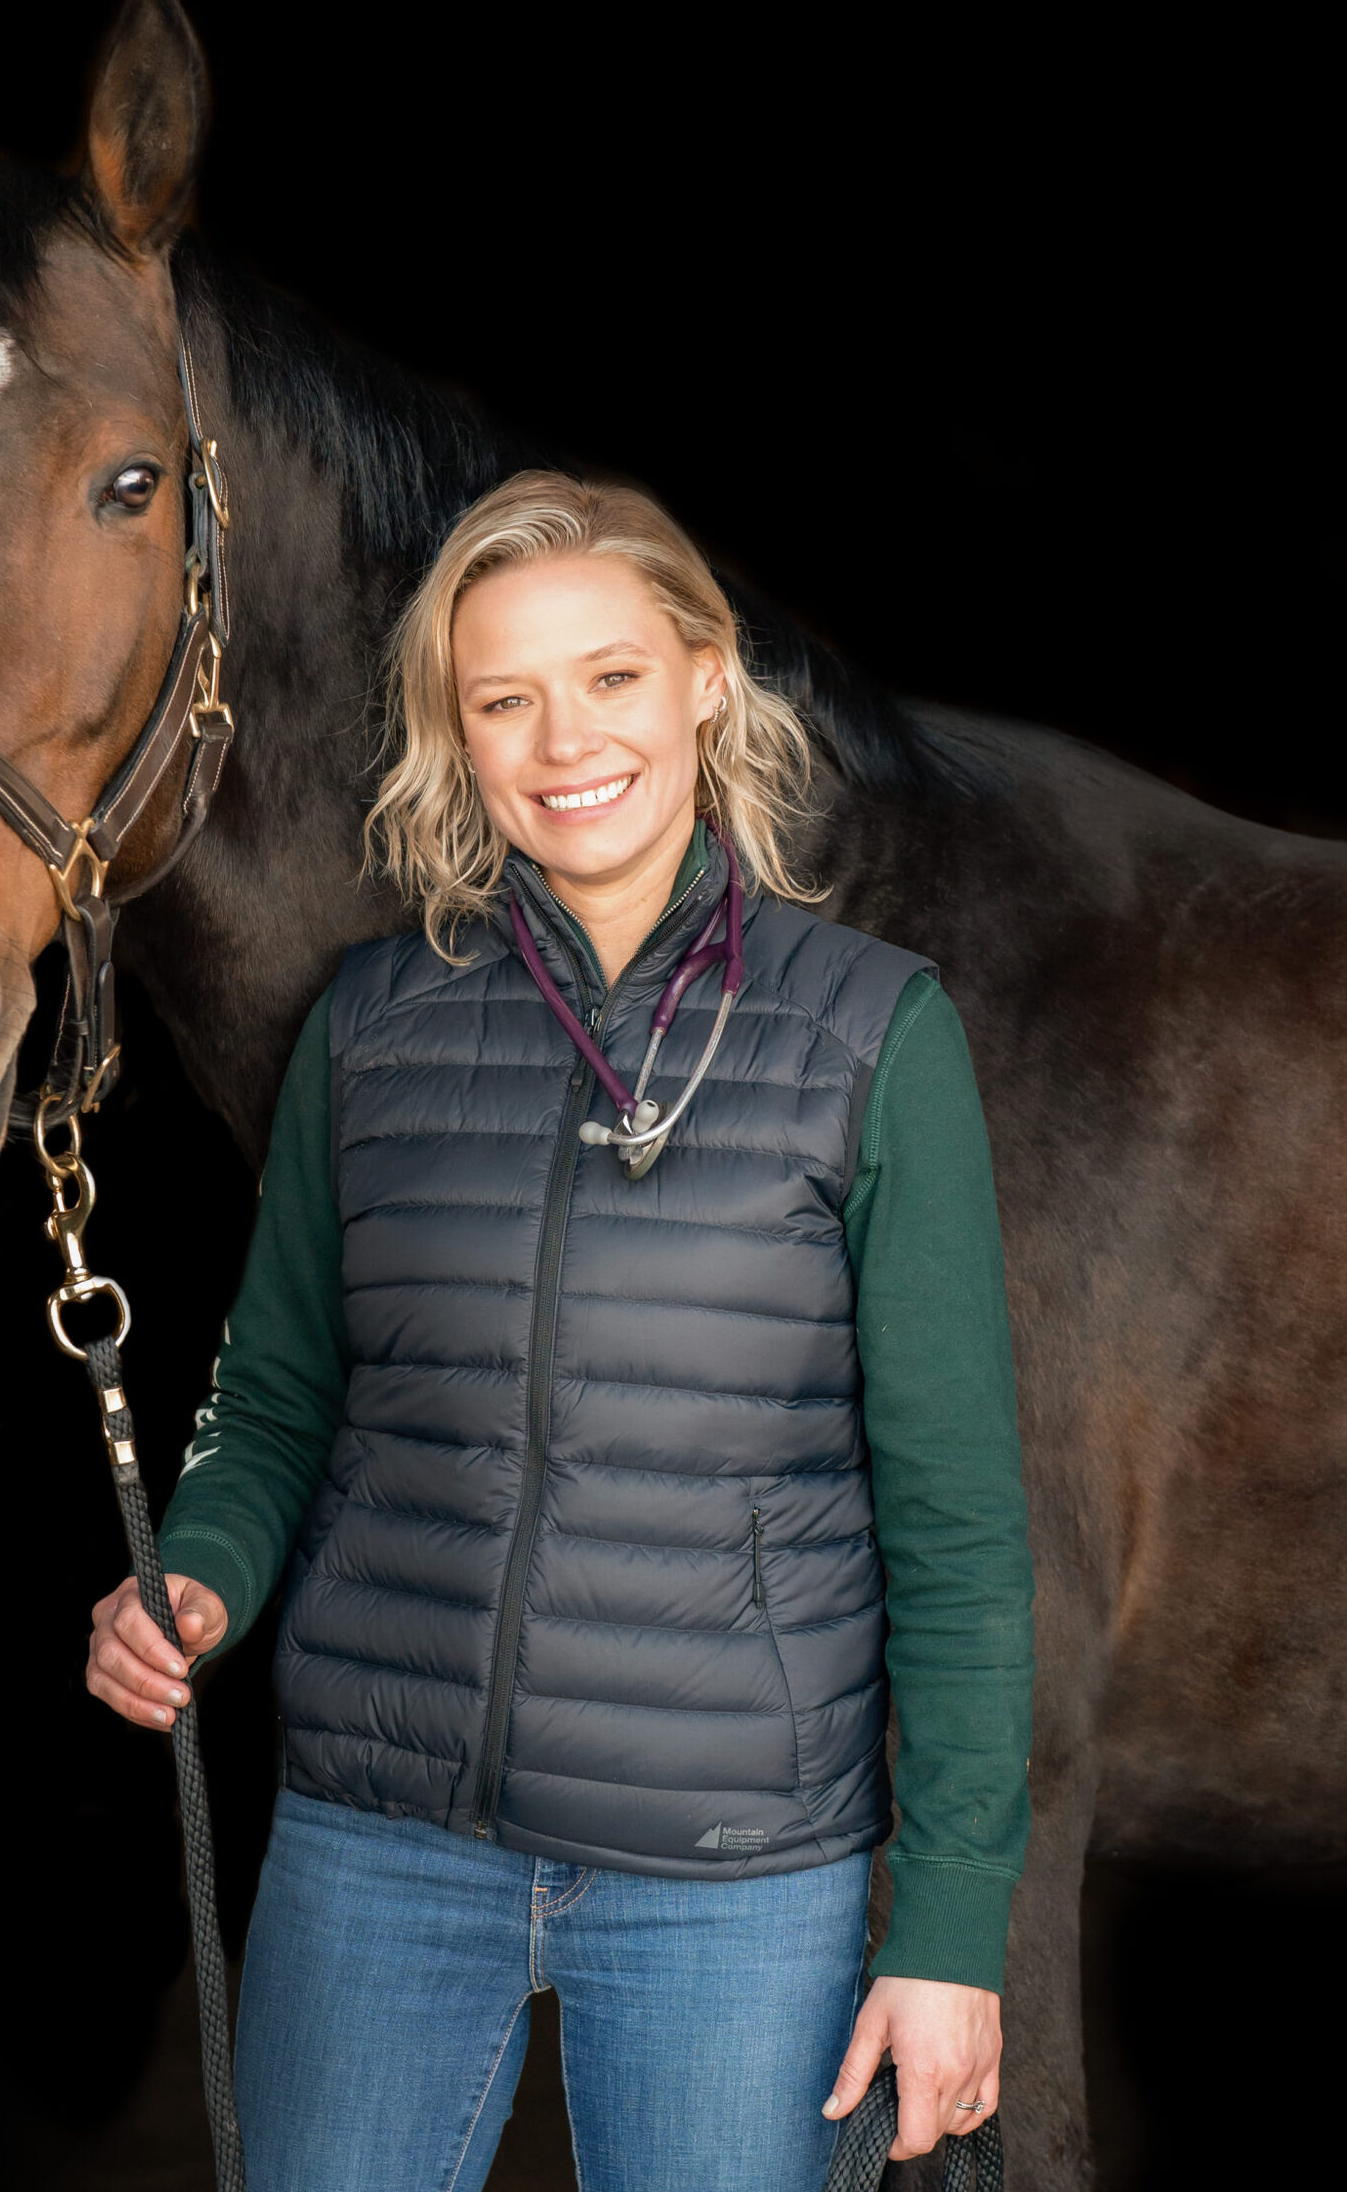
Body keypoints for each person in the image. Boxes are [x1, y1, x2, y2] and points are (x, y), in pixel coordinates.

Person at [86, 473, 1034, 2192]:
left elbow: (960, 1527)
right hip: (377, 1853)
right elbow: (278, 1397)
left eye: (608, 677)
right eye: (502, 698)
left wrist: (953, 1930)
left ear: (703, 677)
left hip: (735, 1881)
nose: (561, 739)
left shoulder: (871, 1037)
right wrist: (205, 1571)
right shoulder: (371, 1033)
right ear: (458, 738)